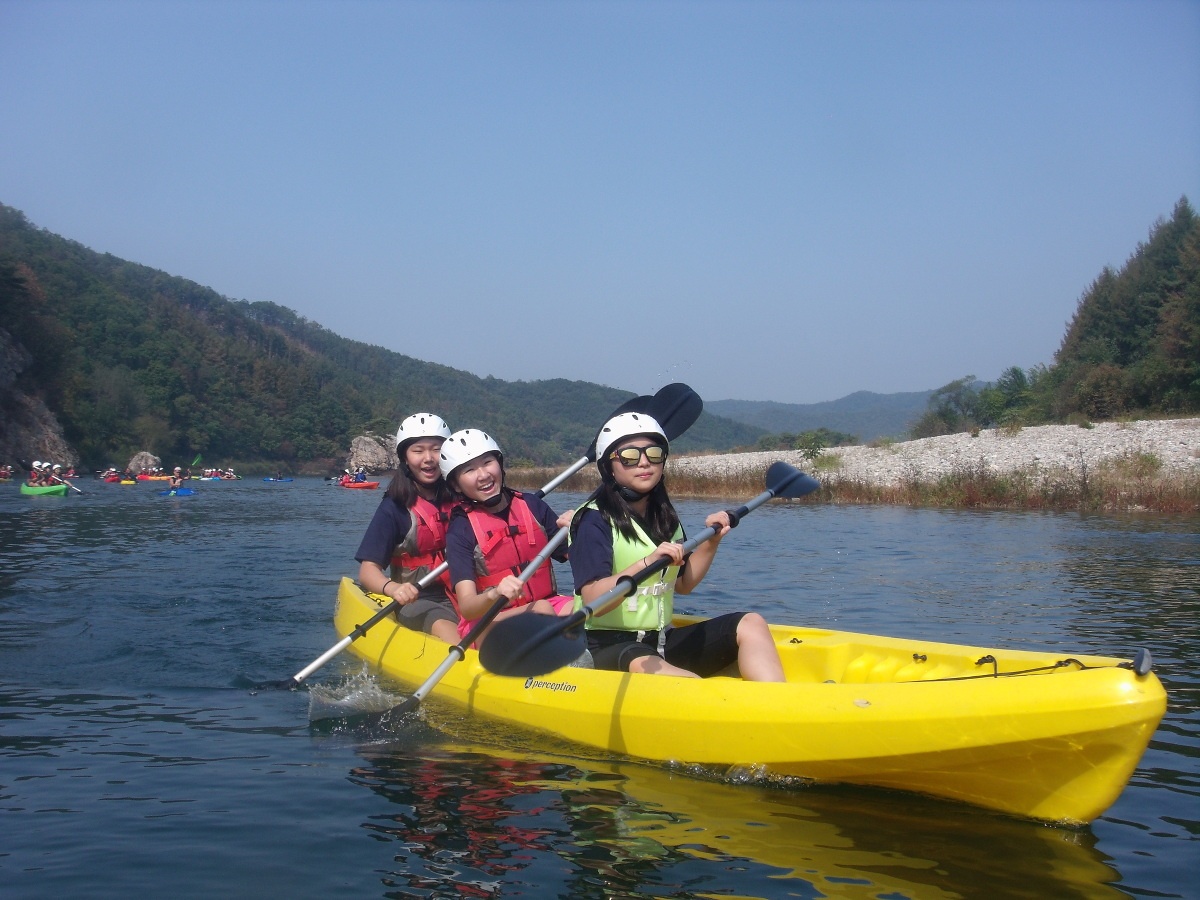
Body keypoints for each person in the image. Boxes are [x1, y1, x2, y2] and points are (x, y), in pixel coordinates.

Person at [568, 412, 786, 681]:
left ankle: (775, 700)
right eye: (630, 456)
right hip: (606, 645)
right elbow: (594, 600)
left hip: (660, 640)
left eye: (654, 453)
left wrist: (712, 541)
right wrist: (647, 562)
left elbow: (683, 584)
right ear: (609, 466)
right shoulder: (592, 520)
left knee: (751, 623)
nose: (644, 462)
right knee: (654, 667)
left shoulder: (664, 516)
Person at [440, 428, 573, 647]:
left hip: (548, 604)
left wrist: (581, 530)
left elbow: (579, 559)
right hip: (486, 622)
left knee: (586, 606)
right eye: (470, 470)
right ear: (456, 484)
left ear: (499, 464)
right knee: (541, 610)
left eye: (487, 462)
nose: (483, 475)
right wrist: (494, 594)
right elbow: (467, 607)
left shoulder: (532, 506)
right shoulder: (460, 530)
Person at [354, 413, 460, 644]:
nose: (429, 458)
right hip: (419, 599)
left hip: (466, 592)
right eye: (418, 450)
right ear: (405, 457)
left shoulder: (462, 496)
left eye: (436, 449)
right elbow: (367, 571)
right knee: (448, 630)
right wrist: (392, 589)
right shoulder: (394, 508)